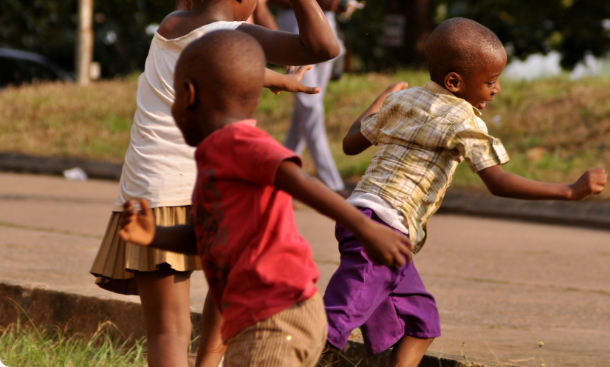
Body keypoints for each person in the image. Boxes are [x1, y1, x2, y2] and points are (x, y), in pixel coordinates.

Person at [91, 0, 341, 367]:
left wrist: (275, 78)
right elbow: (323, 45)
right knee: (229, 294)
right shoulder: (233, 33)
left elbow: (211, 63)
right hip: (213, 185)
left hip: (152, 187)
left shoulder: (173, 25)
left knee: (167, 330)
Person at [117, 29, 413, 367]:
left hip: (274, 319)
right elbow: (209, 236)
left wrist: (364, 227)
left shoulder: (237, 142)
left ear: (187, 95)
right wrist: (154, 235)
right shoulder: (217, 155)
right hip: (264, 320)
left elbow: (296, 178)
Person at [323, 17, 608, 367]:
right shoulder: (465, 120)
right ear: (455, 82)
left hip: (364, 218)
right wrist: (568, 190)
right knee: (333, 324)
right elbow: (497, 182)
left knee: (422, 323)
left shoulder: (403, 101)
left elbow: (351, 143)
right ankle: (279, 352)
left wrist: (383, 98)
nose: (497, 89)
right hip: (383, 228)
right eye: (491, 81)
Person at [265, 0, 349, 194]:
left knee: (305, 111)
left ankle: (277, 179)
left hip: (328, 32)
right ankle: (334, 186)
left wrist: (339, 2)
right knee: (310, 105)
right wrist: (315, 0)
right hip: (295, 33)